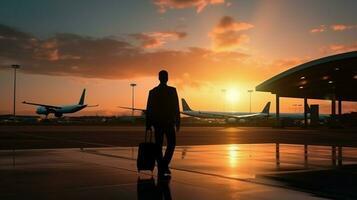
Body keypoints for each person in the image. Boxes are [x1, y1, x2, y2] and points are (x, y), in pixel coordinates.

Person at [146, 70, 180, 177]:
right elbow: (176, 108)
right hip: (169, 122)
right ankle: (164, 165)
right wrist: (178, 121)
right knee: (172, 144)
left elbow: (149, 109)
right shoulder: (172, 91)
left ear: (159, 78)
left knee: (158, 146)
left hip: (158, 123)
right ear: (167, 78)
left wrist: (148, 124)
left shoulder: (153, 92)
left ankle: (162, 166)